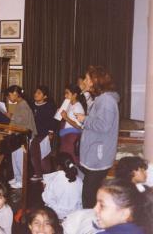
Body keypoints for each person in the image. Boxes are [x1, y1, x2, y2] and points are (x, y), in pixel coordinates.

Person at [76, 66, 120, 208]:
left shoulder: (106, 100)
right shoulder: (102, 98)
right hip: (96, 155)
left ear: (95, 81)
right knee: (90, 193)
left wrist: (84, 119)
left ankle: (91, 226)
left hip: (98, 157)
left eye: (87, 78)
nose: (85, 81)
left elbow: (103, 126)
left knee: (89, 196)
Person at [6, 85, 37, 189]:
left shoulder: (23, 104)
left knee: (20, 159)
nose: (9, 97)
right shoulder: (20, 104)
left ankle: (21, 180)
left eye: (9, 95)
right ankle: (17, 177)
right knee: (15, 157)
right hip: (18, 136)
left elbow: (22, 122)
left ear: (15, 94)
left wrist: (12, 119)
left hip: (23, 137)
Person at [41, 152, 83, 219]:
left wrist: (45, 189)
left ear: (58, 166)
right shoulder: (79, 180)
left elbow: (47, 199)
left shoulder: (54, 180)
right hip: (75, 214)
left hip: (59, 215)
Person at [30, 85, 57, 180]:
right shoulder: (32, 105)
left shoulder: (49, 106)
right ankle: (38, 174)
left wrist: (50, 133)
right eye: (35, 92)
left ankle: (47, 176)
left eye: (39, 93)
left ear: (45, 96)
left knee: (44, 156)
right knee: (34, 155)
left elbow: (53, 121)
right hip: (34, 134)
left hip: (44, 134)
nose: (36, 94)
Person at [59, 84, 86, 164]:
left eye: (67, 93)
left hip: (72, 137)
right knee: (65, 159)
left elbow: (79, 126)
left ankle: (74, 175)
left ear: (74, 95)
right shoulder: (70, 104)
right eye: (65, 93)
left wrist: (66, 117)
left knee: (70, 159)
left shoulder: (78, 107)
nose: (65, 95)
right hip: (66, 135)